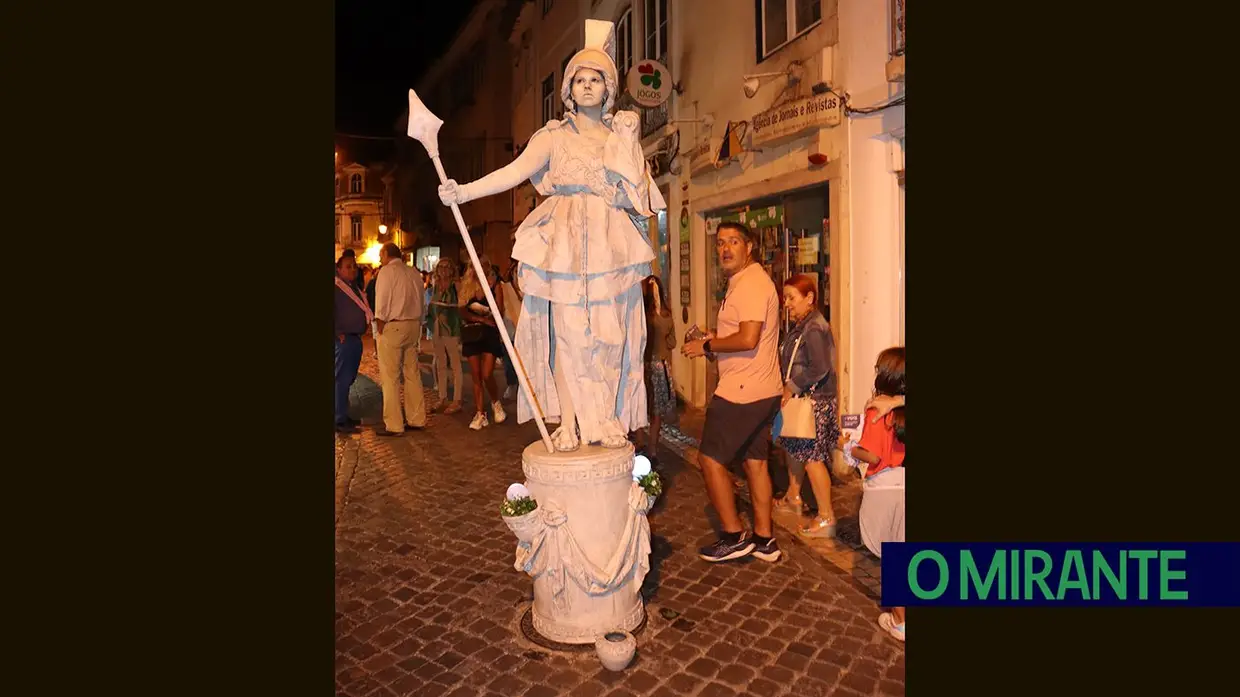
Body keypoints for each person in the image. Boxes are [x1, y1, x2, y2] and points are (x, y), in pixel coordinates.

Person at [438, 19, 663, 452]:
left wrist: (628, 144)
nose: (587, 86)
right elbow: (513, 173)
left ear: (609, 88)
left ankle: (609, 419)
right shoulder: (553, 137)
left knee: (611, 334)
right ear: (568, 90)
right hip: (563, 240)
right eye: (579, 79)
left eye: (596, 79)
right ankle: (570, 420)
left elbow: (639, 194)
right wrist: (463, 192)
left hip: (608, 242)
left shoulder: (620, 136)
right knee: (568, 337)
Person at [682, 222, 783, 563]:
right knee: (755, 463)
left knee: (709, 458)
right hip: (761, 386)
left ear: (749, 246)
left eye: (734, 242)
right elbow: (741, 333)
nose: (725, 248)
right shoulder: (743, 282)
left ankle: (733, 534)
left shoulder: (752, 283)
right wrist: (715, 337)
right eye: (721, 243)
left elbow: (748, 338)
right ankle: (765, 540)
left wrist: (708, 344)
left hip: (743, 390)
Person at [772, 274, 841, 538]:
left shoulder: (814, 327)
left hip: (814, 401)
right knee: (796, 447)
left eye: (792, 298)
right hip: (805, 399)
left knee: (812, 458)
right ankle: (793, 496)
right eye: (785, 298)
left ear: (809, 298)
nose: (787, 303)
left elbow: (820, 367)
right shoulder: (802, 325)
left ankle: (826, 517)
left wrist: (791, 386)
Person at [850, 347, 906, 641]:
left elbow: (871, 455)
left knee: (894, 557)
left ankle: (900, 619)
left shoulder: (877, 409)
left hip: (883, 490)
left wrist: (848, 447)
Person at [374, 243, 427, 436]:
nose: (380, 258)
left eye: (381, 254)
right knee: (412, 373)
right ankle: (417, 418)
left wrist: (379, 322)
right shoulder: (413, 272)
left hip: (394, 325)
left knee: (391, 376)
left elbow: (382, 300)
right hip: (413, 324)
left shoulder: (386, 272)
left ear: (387, 254)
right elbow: (422, 300)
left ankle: (394, 424)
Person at [457, 257, 507, 430]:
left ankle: (495, 402)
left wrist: (489, 319)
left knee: (487, 374)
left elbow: (499, 311)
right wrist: (480, 318)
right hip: (472, 333)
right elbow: (462, 310)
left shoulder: (494, 285)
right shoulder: (466, 286)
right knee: (476, 375)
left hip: (489, 334)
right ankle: (480, 413)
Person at [639, 275, 676, 464]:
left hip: (641, 367)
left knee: (639, 408)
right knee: (656, 414)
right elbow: (672, 342)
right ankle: (652, 450)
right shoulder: (667, 316)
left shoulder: (640, 316)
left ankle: (638, 444)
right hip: (660, 367)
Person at [334, 254, 371, 434]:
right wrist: (336, 332)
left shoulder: (353, 288)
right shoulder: (337, 287)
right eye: (348, 267)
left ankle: (343, 413)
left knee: (348, 379)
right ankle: (339, 419)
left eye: (354, 267)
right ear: (339, 269)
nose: (353, 270)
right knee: (341, 379)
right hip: (344, 339)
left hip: (355, 338)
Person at [427, 258, 464, 415]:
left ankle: (457, 399)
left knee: (455, 364)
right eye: (440, 267)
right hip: (437, 328)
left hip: (451, 328)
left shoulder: (456, 285)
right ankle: (442, 397)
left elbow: (461, 305)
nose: (443, 269)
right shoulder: (436, 285)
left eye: (446, 267)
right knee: (440, 363)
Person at [499, 261, 523, 401]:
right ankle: (512, 384)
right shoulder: (505, 288)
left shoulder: (528, 292)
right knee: (508, 361)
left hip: (524, 331)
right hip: (509, 329)